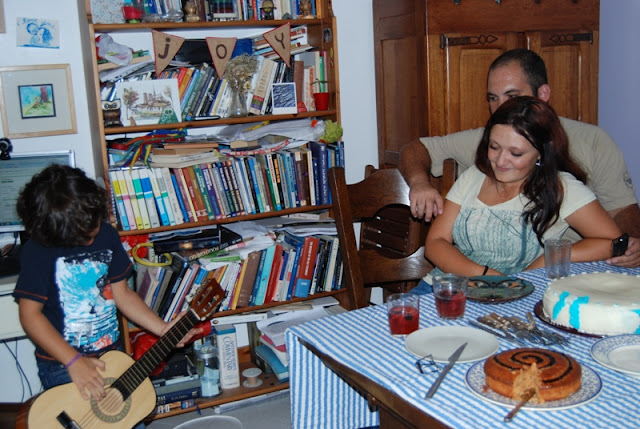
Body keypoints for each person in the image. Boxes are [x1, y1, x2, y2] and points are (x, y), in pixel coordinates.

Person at [399, 49, 640, 268]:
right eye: (493, 98)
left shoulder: (587, 151)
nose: (501, 159)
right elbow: (417, 150)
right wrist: (420, 183)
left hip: (566, 271)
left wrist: (632, 249)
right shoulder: (478, 165)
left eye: (512, 96)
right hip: (467, 279)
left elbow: (620, 219)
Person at [12, 165, 201, 410]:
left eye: (95, 226)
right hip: (62, 365)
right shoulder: (37, 252)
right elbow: (30, 316)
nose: (93, 237)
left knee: (127, 416)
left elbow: (122, 294)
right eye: (84, 237)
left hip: (112, 355)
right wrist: (73, 361)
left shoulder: (106, 234)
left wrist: (163, 328)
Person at [418, 96, 621, 288]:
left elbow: (612, 242)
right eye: (494, 147)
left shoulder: (562, 188)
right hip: (444, 287)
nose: (500, 161)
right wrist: (488, 277)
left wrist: (548, 258)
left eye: (516, 153)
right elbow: (436, 242)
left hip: (515, 295)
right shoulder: (474, 176)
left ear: (542, 152)